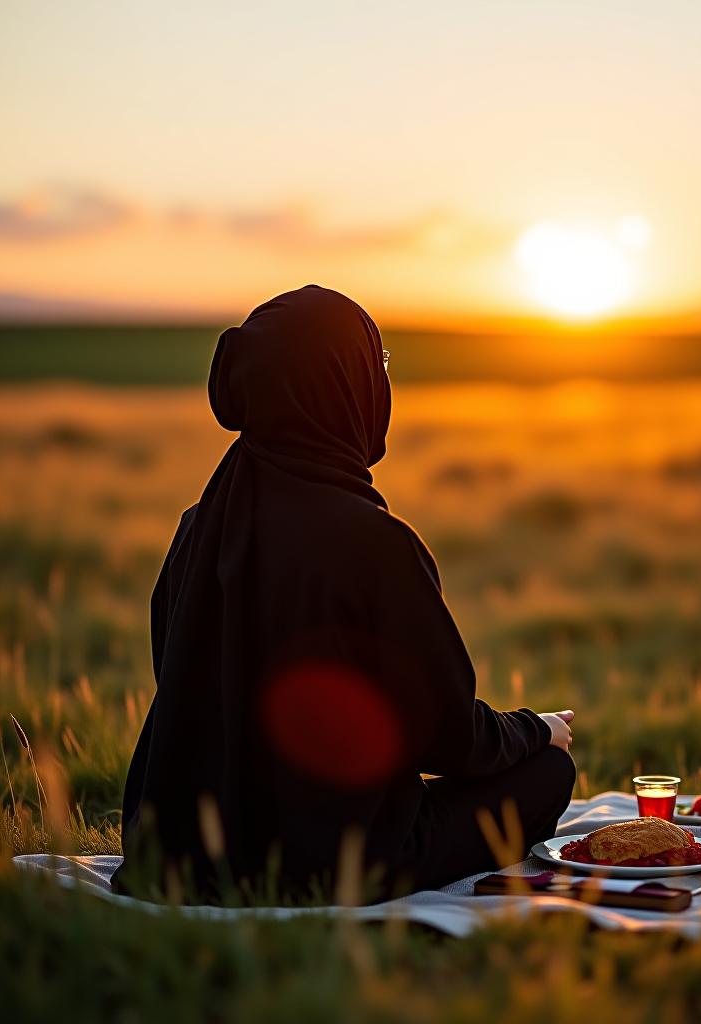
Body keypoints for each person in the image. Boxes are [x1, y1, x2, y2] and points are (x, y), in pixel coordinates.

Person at [111, 285, 576, 903]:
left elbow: (177, 681)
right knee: (548, 775)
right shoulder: (376, 545)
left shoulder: (199, 529)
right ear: (340, 386)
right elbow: (450, 740)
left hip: (181, 850)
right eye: (375, 366)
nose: (383, 384)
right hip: (339, 860)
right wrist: (536, 731)